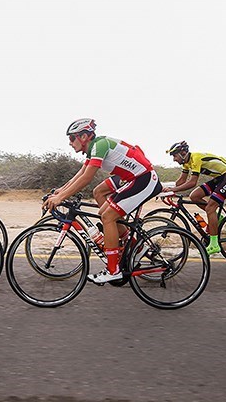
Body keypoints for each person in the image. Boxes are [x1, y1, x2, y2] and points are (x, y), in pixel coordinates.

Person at [43, 118, 162, 285]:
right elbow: (80, 174)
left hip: (144, 178)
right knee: (101, 201)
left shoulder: (100, 145)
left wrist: (60, 198)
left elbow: (86, 178)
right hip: (131, 178)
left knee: (107, 217)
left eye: (71, 138)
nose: (70, 143)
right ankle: (135, 245)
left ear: (84, 136)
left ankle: (113, 270)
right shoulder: (94, 147)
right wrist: (60, 191)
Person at [162, 141, 226, 255]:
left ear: (183, 153)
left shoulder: (195, 158)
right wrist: (164, 189)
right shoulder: (186, 163)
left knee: (210, 209)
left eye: (175, 156)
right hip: (219, 179)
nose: (174, 159)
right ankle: (217, 217)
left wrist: (174, 190)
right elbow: (181, 182)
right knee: (194, 196)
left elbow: (192, 183)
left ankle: (214, 245)